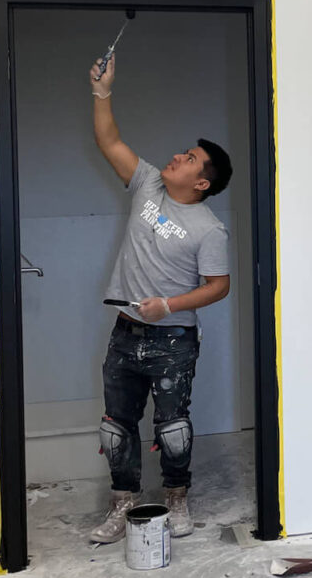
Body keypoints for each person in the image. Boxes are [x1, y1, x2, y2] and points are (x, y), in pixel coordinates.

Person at [87, 51, 232, 543]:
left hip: (172, 338)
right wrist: (102, 90)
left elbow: (219, 286)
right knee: (117, 426)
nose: (177, 156)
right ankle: (121, 505)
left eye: (189, 159)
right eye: (182, 152)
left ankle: (177, 498)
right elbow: (109, 140)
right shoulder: (148, 184)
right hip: (126, 333)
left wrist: (167, 306)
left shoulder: (210, 229)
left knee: (173, 426)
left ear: (202, 182)